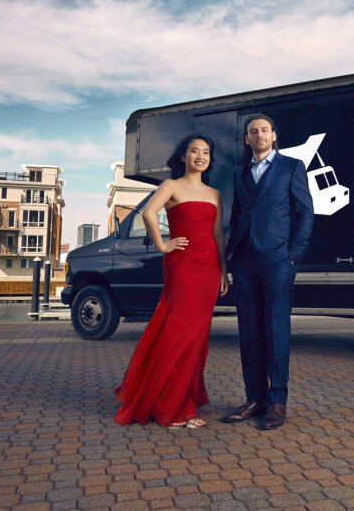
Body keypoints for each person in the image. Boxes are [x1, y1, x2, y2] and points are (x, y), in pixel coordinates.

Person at [113, 135, 229, 429]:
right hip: (182, 264)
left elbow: (217, 235)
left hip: (208, 267)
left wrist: (223, 270)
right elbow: (149, 213)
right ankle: (171, 407)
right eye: (194, 151)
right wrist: (162, 244)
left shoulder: (215, 194)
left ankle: (182, 399)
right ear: (183, 156)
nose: (200, 156)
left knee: (198, 337)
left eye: (205, 152)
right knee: (178, 332)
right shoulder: (171, 186)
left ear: (209, 159)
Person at [221, 114, 314, 430]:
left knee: (276, 330)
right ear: (247, 139)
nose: (258, 135)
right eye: (252, 131)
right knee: (249, 331)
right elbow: (237, 215)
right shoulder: (240, 172)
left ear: (274, 135)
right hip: (245, 261)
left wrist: (292, 255)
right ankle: (254, 399)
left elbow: (305, 213)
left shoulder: (291, 167)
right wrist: (232, 253)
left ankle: (277, 402)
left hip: (277, 260)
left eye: (264, 130)